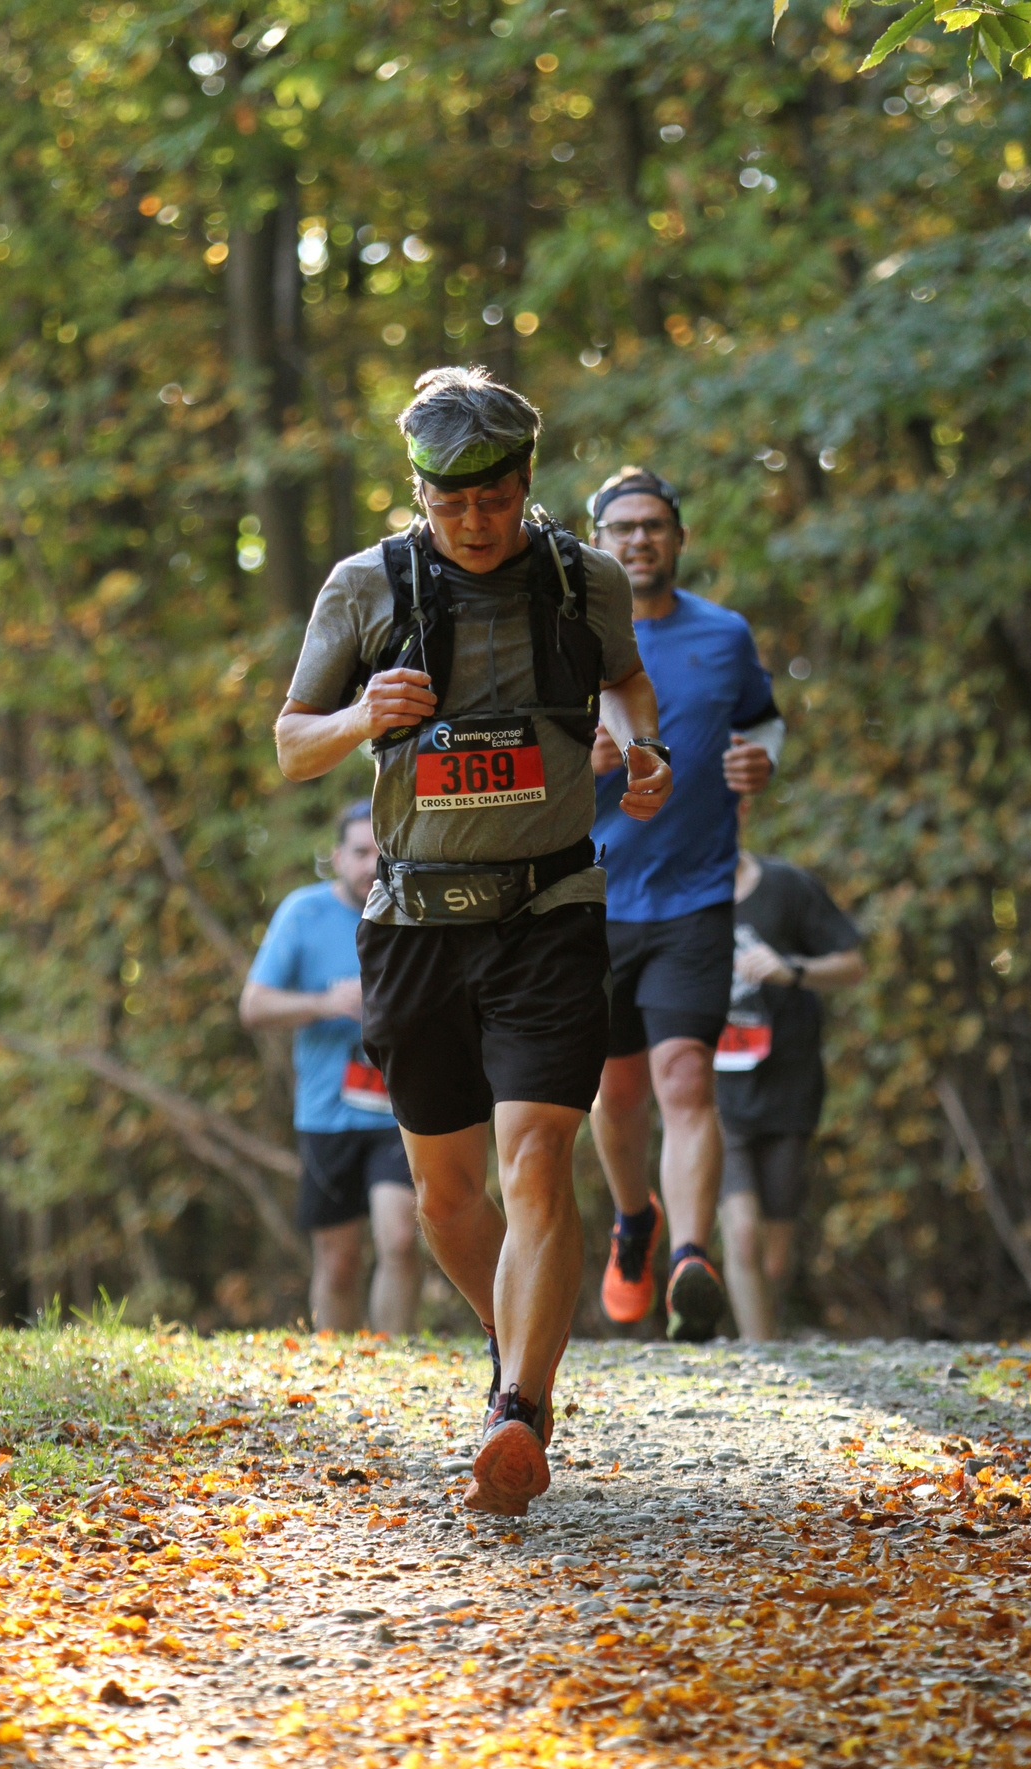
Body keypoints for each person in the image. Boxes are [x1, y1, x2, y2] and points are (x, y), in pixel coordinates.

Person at [272, 367, 671, 1517]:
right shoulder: (364, 587)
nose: (474, 522)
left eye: (493, 499)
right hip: (414, 924)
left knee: (536, 1157)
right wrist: (364, 716)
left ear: (525, 481)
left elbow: (626, 683)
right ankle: (517, 1343)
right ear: (418, 494)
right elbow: (293, 743)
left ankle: (519, 1412)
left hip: (548, 909)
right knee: (443, 1198)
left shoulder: (583, 580)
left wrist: (643, 748)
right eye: (450, 504)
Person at [587, 467, 785, 1342]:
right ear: (598, 543)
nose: (639, 539)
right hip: (592, 898)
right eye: (622, 527)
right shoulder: (571, 638)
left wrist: (762, 761)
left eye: (654, 525)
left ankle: (690, 1262)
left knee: (684, 1077)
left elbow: (764, 720)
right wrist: (578, 762)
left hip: (696, 894)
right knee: (618, 1092)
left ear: (678, 538)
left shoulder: (723, 633)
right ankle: (636, 1221)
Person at [239, 801, 421, 1335]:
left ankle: (394, 1360)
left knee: (401, 1240)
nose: (371, 866)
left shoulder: (419, 911)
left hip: (401, 1109)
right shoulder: (303, 912)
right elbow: (253, 1006)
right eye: (360, 852)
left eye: (381, 854)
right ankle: (336, 1365)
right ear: (337, 857)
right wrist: (326, 1003)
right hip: (327, 1113)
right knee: (339, 1262)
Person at [716, 832, 865, 1342]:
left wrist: (792, 970)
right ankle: (760, 1360)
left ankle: (771, 1343)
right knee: (742, 1235)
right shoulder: (680, 897)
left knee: (775, 1258)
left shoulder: (788, 886)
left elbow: (853, 965)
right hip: (714, 1094)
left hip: (789, 1083)